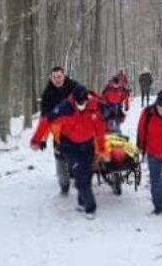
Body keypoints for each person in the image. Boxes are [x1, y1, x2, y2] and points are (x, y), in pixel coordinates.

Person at [30, 85, 107, 218]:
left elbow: (100, 130)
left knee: (87, 175)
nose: (82, 105)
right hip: (70, 146)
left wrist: (101, 148)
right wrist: (36, 140)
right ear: (74, 101)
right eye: (79, 103)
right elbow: (46, 121)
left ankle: (82, 202)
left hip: (88, 144)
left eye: (84, 102)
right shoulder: (64, 108)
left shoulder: (94, 106)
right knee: (80, 174)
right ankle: (90, 208)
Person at [36, 66, 78, 195]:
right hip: (58, 129)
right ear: (51, 78)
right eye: (54, 77)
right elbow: (44, 117)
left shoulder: (74, 86)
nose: (57, 80)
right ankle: (64, 184)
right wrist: (42, 138)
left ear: (64, 76)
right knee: (60, 154)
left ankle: (76, 172)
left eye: (59, 76)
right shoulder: (47, 94)